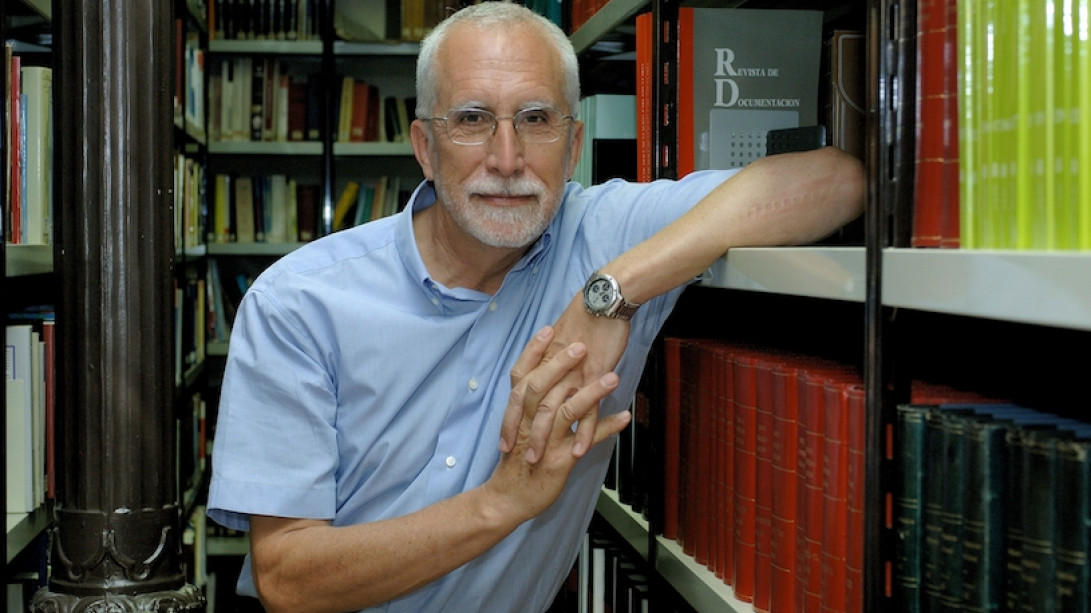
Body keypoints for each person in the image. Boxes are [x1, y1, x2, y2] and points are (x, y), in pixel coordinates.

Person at [206, 2, 865, 612]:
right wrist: (500, 503)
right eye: (471, 120)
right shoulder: (298, 301)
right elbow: (287, 576)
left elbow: (835, 181)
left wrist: (609, 291)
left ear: (573, 146)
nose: (506, 158)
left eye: (535, 118)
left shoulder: (603, 234)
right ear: (424, 147)